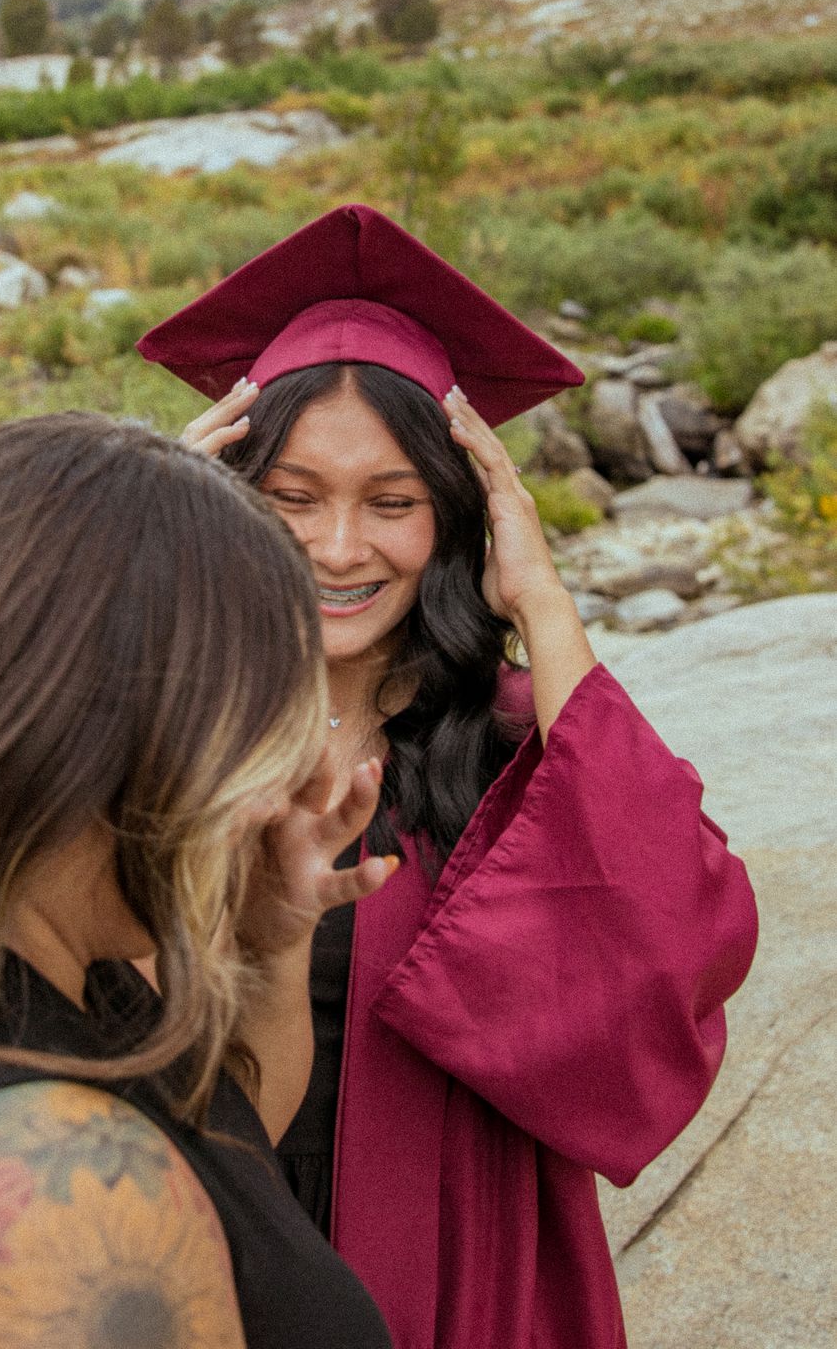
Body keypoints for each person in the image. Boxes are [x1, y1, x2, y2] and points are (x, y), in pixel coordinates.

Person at [137, 203, 759, 1349]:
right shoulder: (170, 723)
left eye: (391, 503)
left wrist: (540, 598)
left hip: (453, 1258)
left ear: (456, 515)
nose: (336, 548)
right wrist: (146, 541)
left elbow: (681, 935)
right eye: (291, 498)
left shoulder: (515, 742)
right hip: (183, 1246)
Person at [0, 412, 397, 1349]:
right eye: (268, 735)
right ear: (153, 742)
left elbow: (220, 1169)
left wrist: (264, 944)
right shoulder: (29, 1215)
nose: (300, 788)